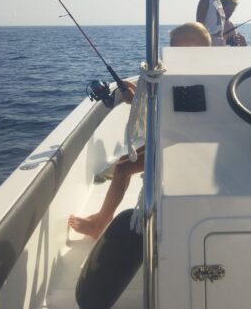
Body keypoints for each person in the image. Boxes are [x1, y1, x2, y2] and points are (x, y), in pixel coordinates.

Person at [73, 23, 211, 309]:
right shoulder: (182, 75)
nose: (170, 55)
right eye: (170, 48)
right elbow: (168, 113)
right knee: (124, 162)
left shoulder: (196, 77)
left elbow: (178, 116)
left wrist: (139, 98)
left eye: (180, 48)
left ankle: (99, 222)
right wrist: (137, 98)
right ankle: (100, 219)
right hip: (173, 139)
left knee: (123, 169)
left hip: (182, 148)